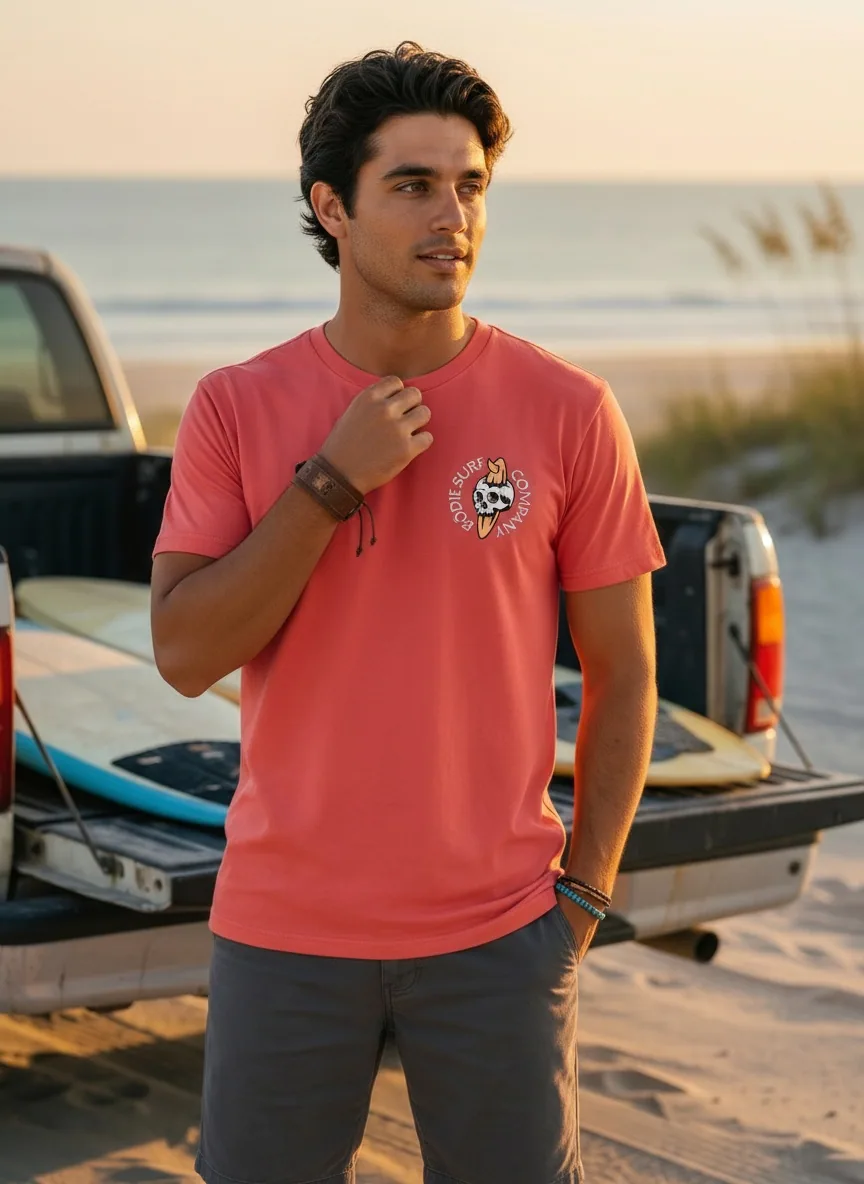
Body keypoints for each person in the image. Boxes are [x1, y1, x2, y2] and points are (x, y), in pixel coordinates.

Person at [151, 41, 666, 1184]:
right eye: (415, 185)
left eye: (472, 183)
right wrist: (329, 482)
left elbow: (624, 673)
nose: (455, 217)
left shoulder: (568, 410)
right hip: (284, 931)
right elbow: (186, 650)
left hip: (499, 935)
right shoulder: (235, 408)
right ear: (332, 206)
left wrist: (581, 893)